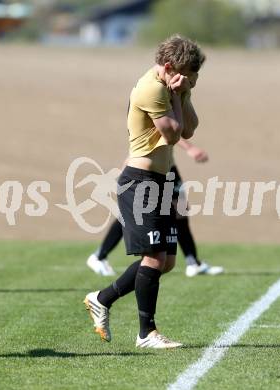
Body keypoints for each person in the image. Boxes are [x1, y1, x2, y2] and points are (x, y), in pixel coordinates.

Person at [84, 35, 206, 349]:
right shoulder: (151, 88)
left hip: (160, 181)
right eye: (188, 75)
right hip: (139, 181)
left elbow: (190, 128)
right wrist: (178, 97)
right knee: (153, 257)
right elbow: (172, 133)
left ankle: (102, 299)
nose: (190, 80)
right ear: (168, 66)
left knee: (166, 262)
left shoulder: (172, 86)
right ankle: (146, 333)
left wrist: (185, 93)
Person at [87, 138, 224, 277]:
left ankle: (193, 262)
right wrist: (189, 148)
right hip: (146, 167)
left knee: (180, 211)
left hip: (167, 167)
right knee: (134, 215)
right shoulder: (156, 117)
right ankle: (99, 256)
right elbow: (165, 129)